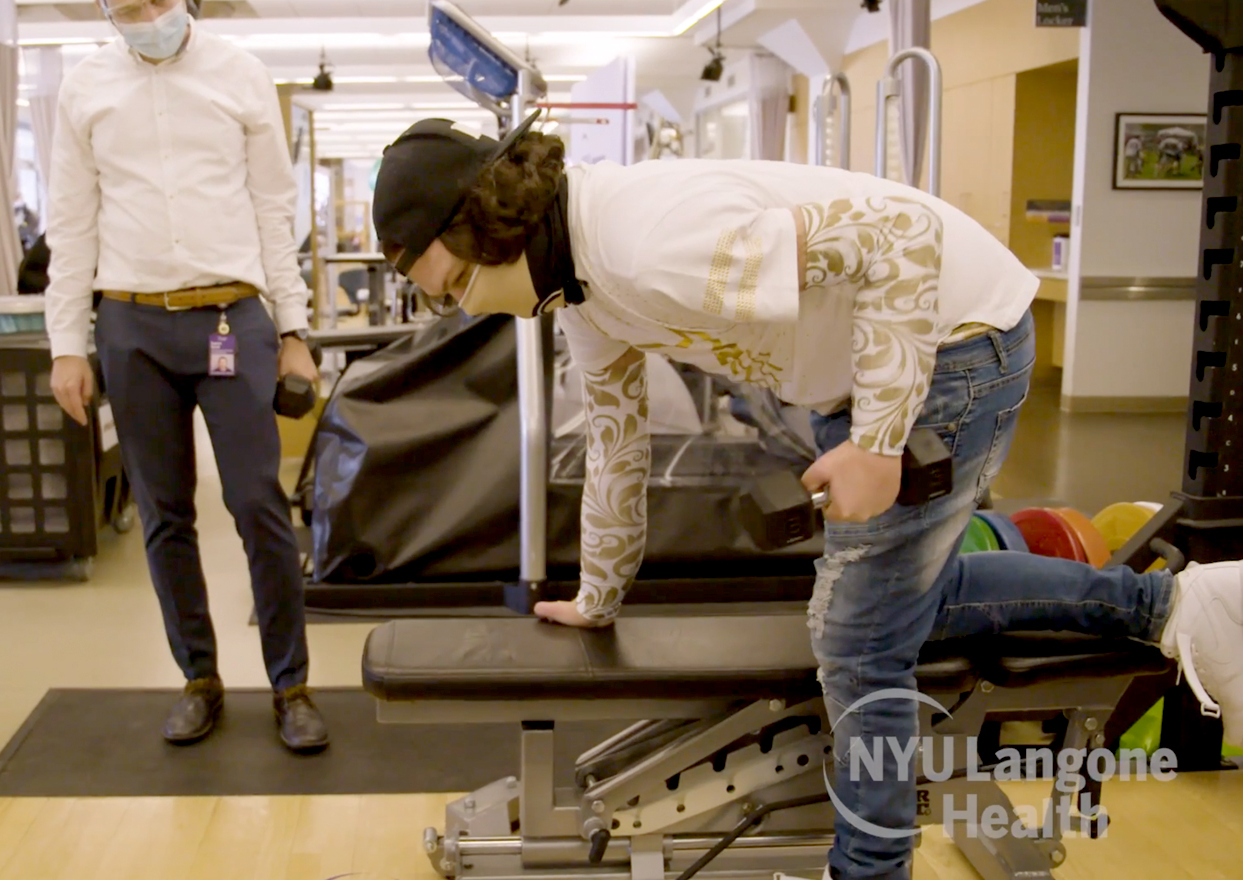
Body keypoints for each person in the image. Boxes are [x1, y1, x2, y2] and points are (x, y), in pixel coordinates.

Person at [370, 117, 1243, 880]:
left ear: (482, 220)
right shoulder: (587, 291)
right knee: (904, 601)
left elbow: (898, 239)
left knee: (860, 637)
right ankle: (1173, 604)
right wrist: (599, 595)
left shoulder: (641, 240)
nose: (458, 305)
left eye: (448, 284)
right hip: (868, 369)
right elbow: (614, 438)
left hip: (956, 342)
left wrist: (879, 444)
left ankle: (867, 870)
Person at [44, 0, 327, 752]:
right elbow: (70, 219)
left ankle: (291, 684)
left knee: (257, 501)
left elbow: (274, 208)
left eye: (156, 2)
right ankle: (198, 678)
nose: (145, 15)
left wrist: (295, 331)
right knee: (163, 513)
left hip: (231, 317)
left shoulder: (239, 73)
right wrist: (66, 343)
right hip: (130, 325)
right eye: (127, 6)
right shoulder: (85, 88)